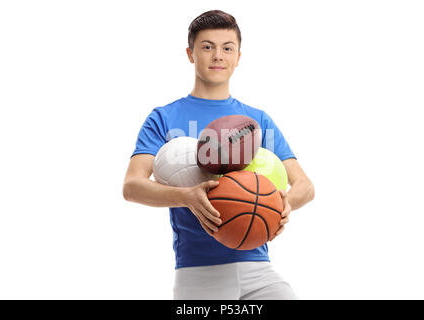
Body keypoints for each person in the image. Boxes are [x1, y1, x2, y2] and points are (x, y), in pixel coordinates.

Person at [122, 10, 315, 300]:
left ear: (238, 56)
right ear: (190, 54)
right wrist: (186, 196)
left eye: (227, 48)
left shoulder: (257, 120)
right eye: (207, 47)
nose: (218, 56)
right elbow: (132, 186)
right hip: (198, 272)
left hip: (259, 269)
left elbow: (305, 186)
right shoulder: (163, 117)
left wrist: (282, 204)